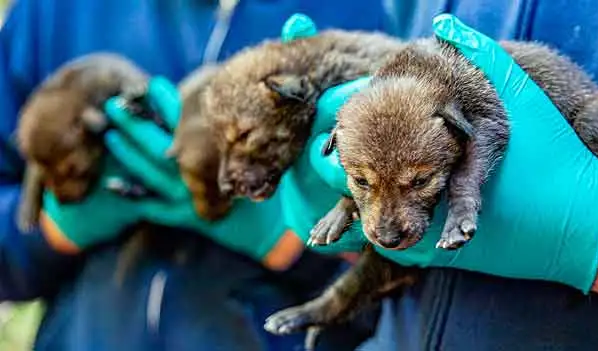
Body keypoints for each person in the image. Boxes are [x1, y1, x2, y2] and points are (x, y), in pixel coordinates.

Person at [0, 1, 390, 350]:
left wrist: (295, 244)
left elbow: (418, 294)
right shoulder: (51, 11)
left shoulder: (365, 13)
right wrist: (54, 229)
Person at [278, 3, 598, 350]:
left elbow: (482, 123)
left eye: (418, 181)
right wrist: (344, 199)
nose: (386, 226)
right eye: (361, 181)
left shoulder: (460, 109)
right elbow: (387, 138)